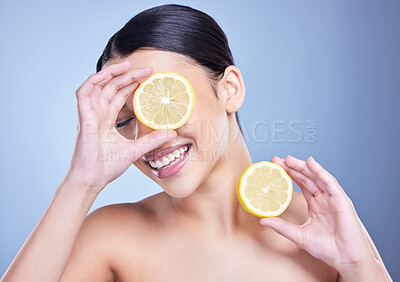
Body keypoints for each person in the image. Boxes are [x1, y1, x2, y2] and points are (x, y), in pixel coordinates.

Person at [1, 4, 392, 282]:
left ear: (230, 89)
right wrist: (80, 183)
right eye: (125, 122)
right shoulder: (111, 238)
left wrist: (360, 268)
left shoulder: (322, 230)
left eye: (164, 104)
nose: (149, 138)